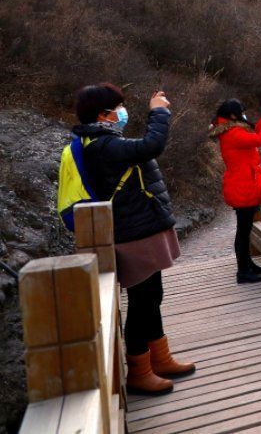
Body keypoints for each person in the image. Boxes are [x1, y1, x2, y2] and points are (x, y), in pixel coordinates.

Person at [72, 84, 194, 396]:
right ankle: (139, 372)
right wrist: (158, 111)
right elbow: (152, 144)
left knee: (152, 296)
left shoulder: (103, 141)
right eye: (118, 108)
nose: (121, 113)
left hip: (140, 229)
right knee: (142, 303)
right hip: (132, 233)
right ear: (103, 114)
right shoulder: (101, 146)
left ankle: (159, 359)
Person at [209, 99, 261, 283]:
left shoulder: (232, 130)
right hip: (242, 187)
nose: (243, 114)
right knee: (243, 231)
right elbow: (260, 139)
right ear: (233, 115)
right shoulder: (233, 133)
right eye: (241, 112)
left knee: (245, 230)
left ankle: (247, 265)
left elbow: (254, 131)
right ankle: (243, 271)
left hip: (243, 184)